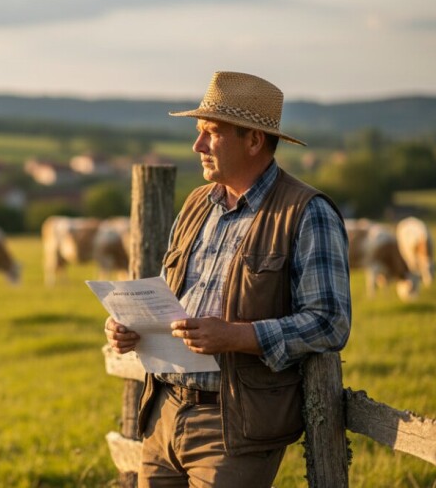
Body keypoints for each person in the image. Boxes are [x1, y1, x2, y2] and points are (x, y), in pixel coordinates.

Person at [104, 71, 351, 488]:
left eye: (211, 133)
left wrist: (237, 336)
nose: (197, 145)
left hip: (235, 428)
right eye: (199, 132)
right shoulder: (198, 203)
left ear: (254, 140)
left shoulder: (307, 212)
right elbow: (168, 293)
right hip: (163, 412)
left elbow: (330, 322)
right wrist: (128, 326)